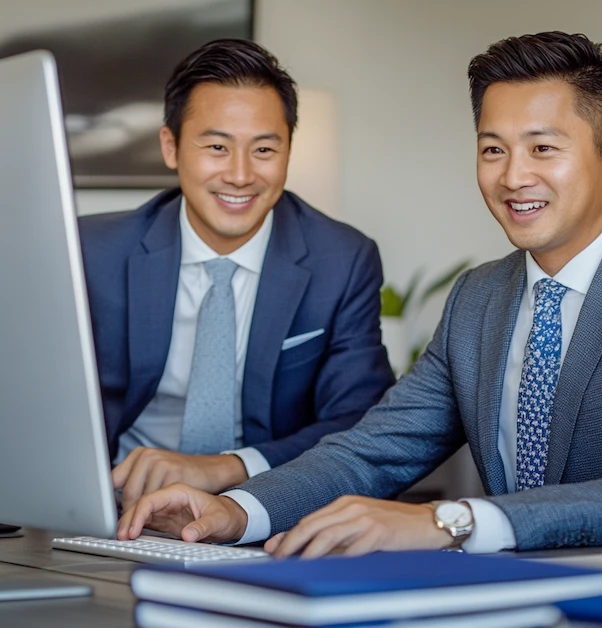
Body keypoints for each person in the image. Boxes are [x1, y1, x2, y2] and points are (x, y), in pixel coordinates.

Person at [116, 31, 602, 560]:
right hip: (518, 596)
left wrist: (450, 521)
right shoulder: (479, 299)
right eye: (493, 150)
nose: (513, 176)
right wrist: (236, 511)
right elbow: (373, 449)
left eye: (543, 148)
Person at [79, 39, 395, 506]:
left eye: (263, 149)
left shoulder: (342, 260)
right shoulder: (92, 253)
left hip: (262, 507)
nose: (241, 175)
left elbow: (359, 421)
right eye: (217, 147)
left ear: (288, 151)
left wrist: (228, 467)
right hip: (116, 503)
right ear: (171, 147)